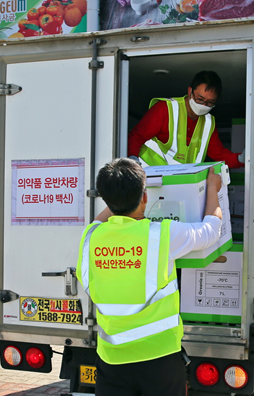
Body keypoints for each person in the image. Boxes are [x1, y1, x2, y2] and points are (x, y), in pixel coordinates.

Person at [76, 158, 223, 396]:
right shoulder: (162, 234)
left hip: (112, 360)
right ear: (145, 197)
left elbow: (101, 219)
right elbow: (210, 231)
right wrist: (213, 188)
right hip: (159, 358)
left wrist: (117, 193)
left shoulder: (91, 236)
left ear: (105, 199)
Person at [128, 70, 245, 169]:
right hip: (150, 176)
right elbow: (136, 136)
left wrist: (240, 159)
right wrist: (132, 162)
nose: (204, 105)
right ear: (190, 91)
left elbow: (219, 154)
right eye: (200, 99)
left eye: (210, 102)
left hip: (180, 182)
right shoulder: (166, 109)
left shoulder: (208, 123)